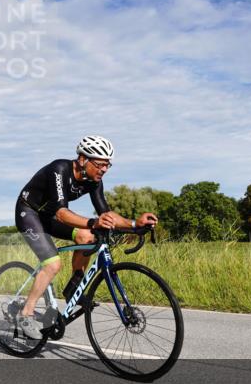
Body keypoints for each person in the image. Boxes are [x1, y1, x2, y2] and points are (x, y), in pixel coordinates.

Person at [14, 136, 158, 340]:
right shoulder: (59, 170)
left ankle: (74, 286)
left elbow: (107, 215)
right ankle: (25, 314)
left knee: (88, 237)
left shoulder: (94, 182)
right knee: (53, 264)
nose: (104, 169)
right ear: (82, 159)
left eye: (108, 165)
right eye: (100, 164)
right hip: (29, 213)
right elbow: (62, 214)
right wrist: (93, 222)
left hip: (49, 217)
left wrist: (135, 224)